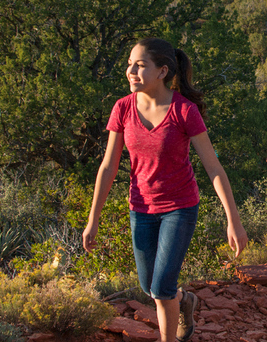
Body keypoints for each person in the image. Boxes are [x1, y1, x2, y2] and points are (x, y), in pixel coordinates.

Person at [83, 37, 248, 342]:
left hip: (179, 208)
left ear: (161, 71)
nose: (131, 70)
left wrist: (233, 220)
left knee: (160, 288)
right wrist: (93, 218)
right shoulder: (122, 108)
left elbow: (213, 168)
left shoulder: (184, 111)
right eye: (129, 64)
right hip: (141, 209)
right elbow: (108, 167)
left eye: (140, 65)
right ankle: (184, 302)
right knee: (151, 287)